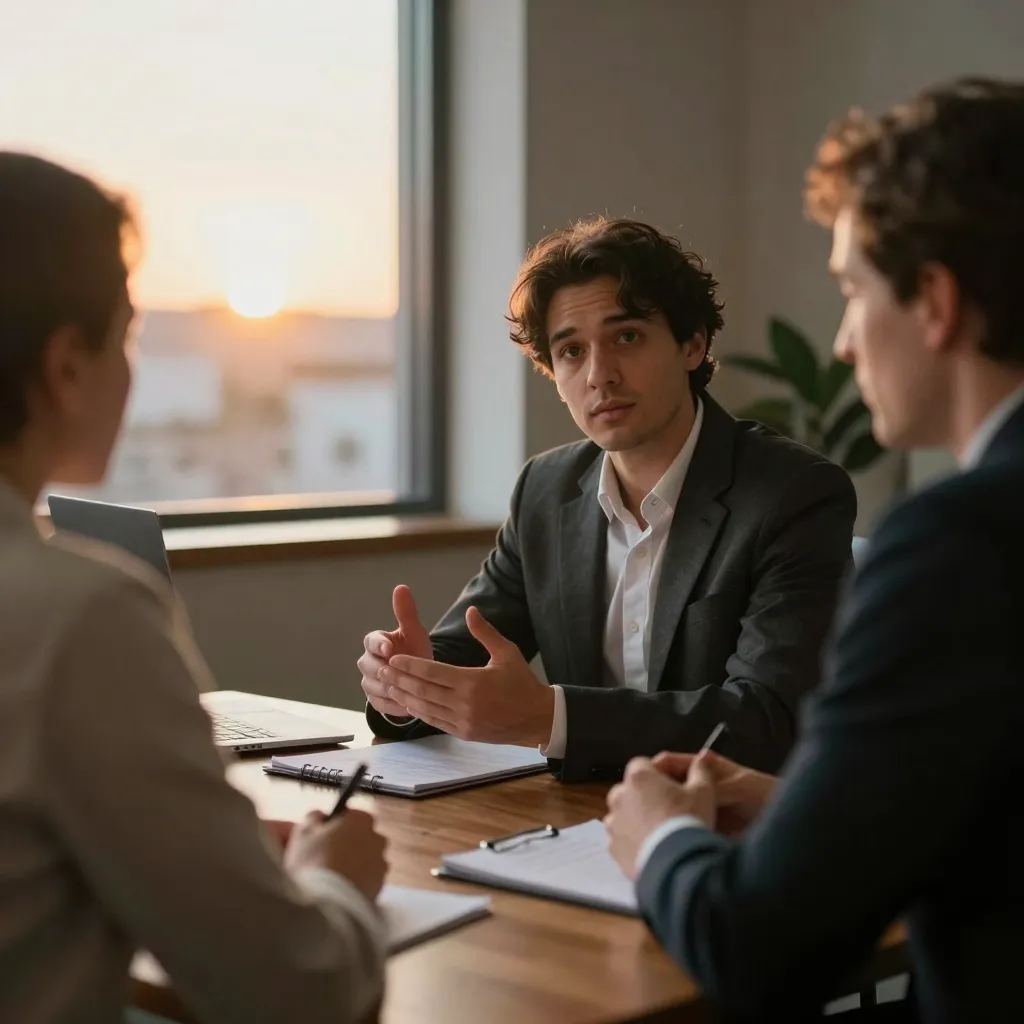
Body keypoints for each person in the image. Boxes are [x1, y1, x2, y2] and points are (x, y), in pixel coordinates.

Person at [604, 77, 1024, 1022]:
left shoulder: (960, 545)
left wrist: (660, 841)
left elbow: (759, 950)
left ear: (937, 302)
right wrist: (813, 800)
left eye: (852, 291)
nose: (840, 343)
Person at [0, 151, 388, 1023]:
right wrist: (338, 883)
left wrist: (203, 848)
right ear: (66, 367)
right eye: (128, 335)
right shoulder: (80, 615)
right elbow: (299, 990)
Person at [359, 217, 856, 782]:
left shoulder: (792, 494)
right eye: (571, 351)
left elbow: (766, 721)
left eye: (627, 337)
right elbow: (463, 657)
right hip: (577, 822)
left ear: (692, 345)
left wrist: (551, 717)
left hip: (728, 828)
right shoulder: (544, 491)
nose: (600, 375)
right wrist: (404, 685)